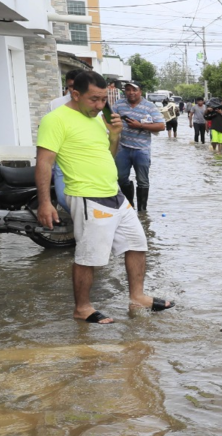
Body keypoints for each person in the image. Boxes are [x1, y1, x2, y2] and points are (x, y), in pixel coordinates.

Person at [34, 70, 175, 325]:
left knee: (137, 243)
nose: (100, 106)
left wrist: (114, 135)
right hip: (87, 196)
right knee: (90, 256)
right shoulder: (56, 120)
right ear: (75, 94)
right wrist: (44, 202)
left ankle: (137, 296)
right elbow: (44, 162)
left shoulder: (100, 118)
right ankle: (83, 308)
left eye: (103, 99)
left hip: (115, 194)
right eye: (94, 99)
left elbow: (108, 155)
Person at [112, 80, 164, 212]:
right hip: (122, 147)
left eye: (134, 90)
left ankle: (142, 211)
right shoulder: (119, 104)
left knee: (143, 181)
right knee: (121, 178)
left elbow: (161, 126)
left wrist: (140, 125)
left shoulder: (150, 107)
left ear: (140, 91)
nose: (131, 93)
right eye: (128, 90)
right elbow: (108, 119)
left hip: (142, 149)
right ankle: (129, 207)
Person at [46, 70, 81, 212]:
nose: (72, 90)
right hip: (62, 157)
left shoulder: (93, 106)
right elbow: (48, 132)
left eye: (76, 86)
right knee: (62, 197)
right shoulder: (56, 105)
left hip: (85, 157)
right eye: (70, 86)